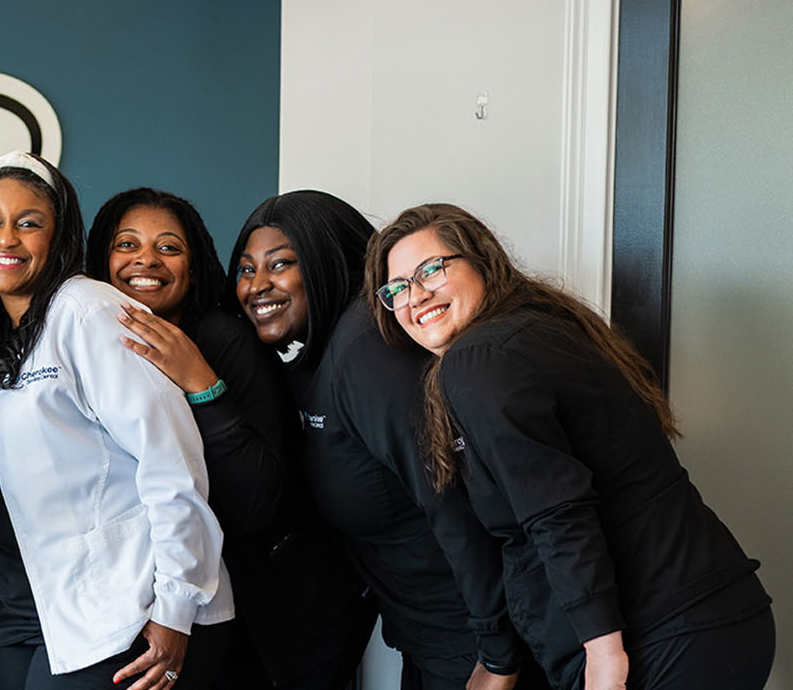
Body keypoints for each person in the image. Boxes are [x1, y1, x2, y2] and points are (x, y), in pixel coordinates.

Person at [367, 204, 775, 690]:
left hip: (660, 641)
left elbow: (557, 512)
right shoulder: (538, 328)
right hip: (714, 618)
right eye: (398, 289)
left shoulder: (477, 360)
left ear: (482, 262)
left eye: (431, 269)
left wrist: (604, 659)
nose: (416, 296)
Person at [226, 191, 538, 690]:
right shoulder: (306, 355)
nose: (257, 285)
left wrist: (499, 657)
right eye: (245, 270)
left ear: (326, 260)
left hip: (476, 644)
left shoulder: (366, 353)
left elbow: (451, 502)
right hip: (431, 636)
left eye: (280, 264)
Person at [0, 152, 234, 690]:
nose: (7, 238)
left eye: (29, 223)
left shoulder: (89, 311)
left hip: (131, 610)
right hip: (41, 609)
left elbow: (171, 460)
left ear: (60, 238)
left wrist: (175, 608)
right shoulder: (2, 331)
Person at [94, 188, 375, 689]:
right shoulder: (94, 345)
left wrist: (202, 384)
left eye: (169, 248)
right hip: (182, 603)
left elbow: (257, 500)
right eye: (128, 244)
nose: (146, 261)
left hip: (284, 609)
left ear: (195, 267)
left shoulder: (223, 337)